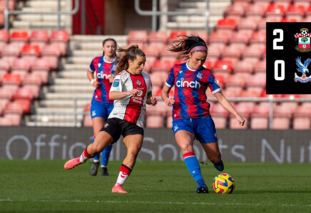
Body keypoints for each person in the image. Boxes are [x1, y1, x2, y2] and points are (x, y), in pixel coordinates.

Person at [65, 45, 157, 193]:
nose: (142, 66)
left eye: (144, 63)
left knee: (133, 151)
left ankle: (118, 185)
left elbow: (146, 97)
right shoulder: (121, 76)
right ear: (130, 62)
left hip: (136, 122)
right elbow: (112, 95)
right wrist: (128, 92)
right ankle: (81, 159)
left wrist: (150, 100)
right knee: (96, 148)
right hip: (117, 118)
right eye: (139, 63)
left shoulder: (147, 78)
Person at [161, 35, 245, 193]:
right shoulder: (176, 70)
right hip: (182, 119)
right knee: (186, 146)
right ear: (190, 54)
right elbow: (164, 92)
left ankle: (217, 160)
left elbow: (220, 97)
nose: (200, 63)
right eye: (198, 59)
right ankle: (201, 184)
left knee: (214, 158)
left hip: (203, 120)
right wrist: (166, 99)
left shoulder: (206, 74)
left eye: (203, 60)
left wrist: (236, 114)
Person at [87, 38, 118, 176]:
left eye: (113, 46)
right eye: (108, 46)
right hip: (99, 101)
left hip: (114, 103)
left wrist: (116, 81)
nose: (110, 49)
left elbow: (127, 80)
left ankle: (104, 165)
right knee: (98, 133)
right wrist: (93, 81)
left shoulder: (120, 63)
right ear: (103, 48)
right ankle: (95, 161)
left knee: (108, 135)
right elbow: (89, 71)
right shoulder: (96, 61)